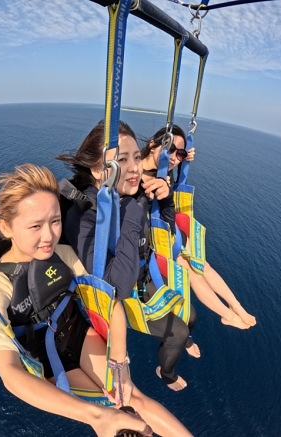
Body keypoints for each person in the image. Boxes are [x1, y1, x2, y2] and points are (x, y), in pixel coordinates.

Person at [0, 163, 193, 437]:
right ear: (6, 227)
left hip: (79, 335)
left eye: (55, 221)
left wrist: (119, 362)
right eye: (35, 226)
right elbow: (11, 374)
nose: (49, 236)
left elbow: (110, 303)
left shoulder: (62, 255)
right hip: (46, 360)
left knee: (131, 396)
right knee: (112, 412)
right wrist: (96, 416)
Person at [57, 121, 200, 393]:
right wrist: (135, 209)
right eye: (122, 160)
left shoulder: (128, 192)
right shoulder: (85, 215)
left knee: (190, 315)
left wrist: (166, 200)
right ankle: (166, 373)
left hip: (144, 275)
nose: (135, 167)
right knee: (178, 333)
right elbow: (118, 288)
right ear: (98, 170)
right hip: (124, 297)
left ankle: (184, 339)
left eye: (136, 157)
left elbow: (167, 232)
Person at [140, 125, 257, 330]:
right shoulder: (136, 175)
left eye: (179, 154)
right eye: (170, 149)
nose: (174, 157)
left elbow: (172, 170)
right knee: (193, 275)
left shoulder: (164, 171)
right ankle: (227, 315)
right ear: (152, 145)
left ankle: (236, 305)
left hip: (169, 230)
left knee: (204, 266)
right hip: (155, 238)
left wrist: (184, 158)